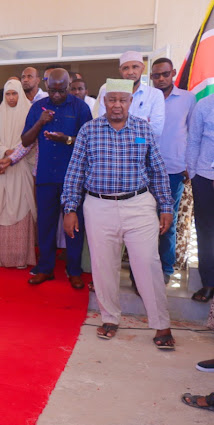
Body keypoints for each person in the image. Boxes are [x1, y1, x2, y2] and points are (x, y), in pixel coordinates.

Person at [62, 78, 175, 349]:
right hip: (98, 206)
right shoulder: (89, 130)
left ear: (130, 102)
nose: (116, 105)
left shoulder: (143, 130)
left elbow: (158, 171)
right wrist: (70, 208)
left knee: (148, 264)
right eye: (112, 100)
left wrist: (166, 207)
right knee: (103, 266)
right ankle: (110, 318)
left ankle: (161, 325)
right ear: (104, 101)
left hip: (138, 205)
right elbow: (75, 172)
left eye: (122, 100)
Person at [23, 68, 92, 288]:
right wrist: (40, 122)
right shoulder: (37, 107)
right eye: (52, 91)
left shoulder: (80, 107)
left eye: (61, 91)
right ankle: (45, 269)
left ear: (69, 85)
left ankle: (74, 271)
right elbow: (25, 141)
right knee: (45, 224)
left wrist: (67, 140)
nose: (56, 95)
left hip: (72, 177)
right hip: (45, 175)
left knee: (74, 226)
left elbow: (88, 143)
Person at [149, 58, 196, 285]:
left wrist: (190, 163)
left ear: (173, 73)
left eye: (164, 74)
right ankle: (144, 266)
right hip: (143, 169)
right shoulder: (147, 98)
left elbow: (193, 133)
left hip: (173, 169)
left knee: (167, 220)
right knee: (144, 221)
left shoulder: (188, 99)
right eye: (156, 75)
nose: (160, 79)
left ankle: (166, 268)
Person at [0, 80, 37, 268]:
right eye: (7, 94)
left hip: (21, 169)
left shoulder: (29, 113)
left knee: (22, 207)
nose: (11, 98)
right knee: (2, 206)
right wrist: (4, 151)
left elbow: (32, 141)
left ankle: (21, 258)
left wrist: (15, 154)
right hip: (1, 169)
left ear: (20, 95)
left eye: (14, 94)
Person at [97, 51, 165, 140]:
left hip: (142, 151)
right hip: (114, 151)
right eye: (125, 68)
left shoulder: (155, 94)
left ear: (142, 68)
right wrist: (143, 121)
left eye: (135, 67)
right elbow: (103, 127)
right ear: (120, 71)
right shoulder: (108, 92)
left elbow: (156, 131)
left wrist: (121, 128)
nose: (130, 72)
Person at [188, 94, 214, 302]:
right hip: (205, 178)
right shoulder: (204, 105)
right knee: (205, 232)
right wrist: (195, 176)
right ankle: (208, 283)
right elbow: (194, 141)